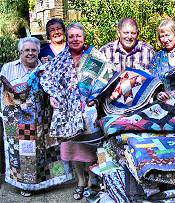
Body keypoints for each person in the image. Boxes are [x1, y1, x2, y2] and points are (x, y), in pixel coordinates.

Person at [40, 22, 116, 200]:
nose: (75, 39)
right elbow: (47, 78)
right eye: (71, 36)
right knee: (72, 147)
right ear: (67, 38)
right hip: (66, 111)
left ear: (84, 37)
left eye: (78, 36)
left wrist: (95, 98)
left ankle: (92, 180)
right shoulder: (61, 58)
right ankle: (80, 181)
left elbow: (109, 75)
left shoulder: (94, 55)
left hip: (89, 110)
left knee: (92, 147)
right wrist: (53, 95)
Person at [0, 37, 72, 197]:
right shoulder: (8, 68)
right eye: (27, 50)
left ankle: (50, 180)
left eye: (34, 50)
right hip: (17, 122)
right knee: (23, 153)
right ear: (20, 52)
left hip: (42, 119)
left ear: (39, 52)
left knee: (47, 150)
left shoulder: (46, 69)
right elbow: (4, 94)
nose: (30, 53)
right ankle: (25, 185)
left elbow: (54, 90)